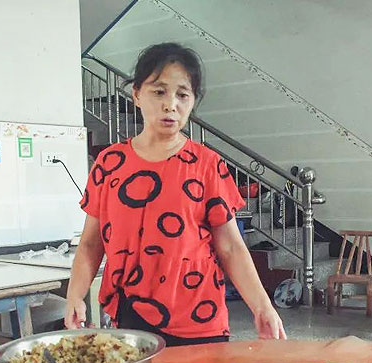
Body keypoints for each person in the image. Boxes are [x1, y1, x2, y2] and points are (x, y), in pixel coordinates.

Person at [65, 42, 286, 346]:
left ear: (193, 102)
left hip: (200, 315)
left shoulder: (208, 165)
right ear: (136, 94)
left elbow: (231, 247)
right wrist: (75, 295)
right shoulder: (110, 164)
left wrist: (263, 306)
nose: (171, 104)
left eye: (183, 94)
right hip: (133, 316)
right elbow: (91, 243)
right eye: (159, 91)